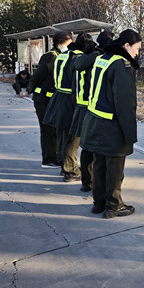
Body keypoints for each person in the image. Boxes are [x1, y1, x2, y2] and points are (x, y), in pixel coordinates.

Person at [80, 29, 141, 218]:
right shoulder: (121, 65)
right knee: (114, 168)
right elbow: (124, 102)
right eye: (137, 49)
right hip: (111, 125)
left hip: (95, 120)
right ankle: (114, 205)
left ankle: (98, 203)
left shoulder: (102, 58)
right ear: (126, 46)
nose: (137, 53)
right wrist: (129, 133)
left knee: (99, 164)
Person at [44, 33, 93, 182]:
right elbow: (77, 81)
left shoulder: (61, 56)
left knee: (61, 133)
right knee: (73, 136)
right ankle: (70, 170)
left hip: (58, 96)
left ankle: (63, 164)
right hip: (70, 99)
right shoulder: (78, 58)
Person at [69, 30, 114, 192]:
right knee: (95, 148)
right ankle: (92, 182)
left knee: (88, 146)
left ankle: (87, 182)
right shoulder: (98, 58)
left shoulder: (85, 57)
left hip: (85, 106)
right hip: (93, 108)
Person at [28, 31, 72, 169]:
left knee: (54, 128)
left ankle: (56, 156)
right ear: (61, 42)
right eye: (68, 43)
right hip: (43, 98)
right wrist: (29, 89)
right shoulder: (51, 56)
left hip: (51, 98)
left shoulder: (61, 56)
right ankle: (48, 159)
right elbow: (38, 76)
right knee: (47, 128)